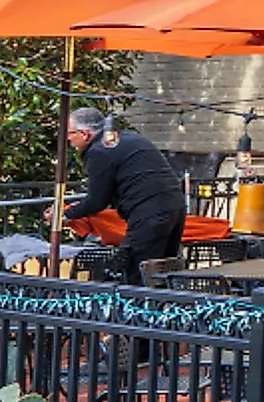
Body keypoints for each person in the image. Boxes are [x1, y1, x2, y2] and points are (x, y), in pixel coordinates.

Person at [60, 108, 186, 285]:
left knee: (134, 273)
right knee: (162, 272)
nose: (68, 139)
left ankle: (138, 310)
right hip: (175, 207)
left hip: (149, 213)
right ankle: (161, 309)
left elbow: (97, 200)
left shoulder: (99, 151)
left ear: (85, 134)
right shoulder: (127, 137)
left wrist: (65, 214)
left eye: (70, 133)